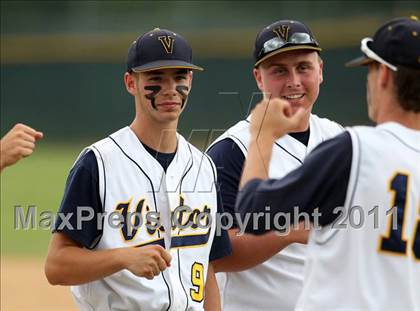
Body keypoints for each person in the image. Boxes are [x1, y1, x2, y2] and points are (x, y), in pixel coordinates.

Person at [237, 16, 420, 310]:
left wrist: (263, 135)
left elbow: (252, 211)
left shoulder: (355, 146)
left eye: (370, 70)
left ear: (383, 75)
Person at [45, 28, 231, 310]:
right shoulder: (99, 162)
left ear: (190, 81)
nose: (169, 89)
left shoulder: (204, 167)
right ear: (131, 82)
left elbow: (208, 270)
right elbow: (57, 266)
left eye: (179, 77)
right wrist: (123, 257)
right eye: (156, 78)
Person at [206, 19, 343, 310]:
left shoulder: (338, 138)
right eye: (279, 70)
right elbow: (217, 255)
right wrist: (290, 230)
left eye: (303, 67)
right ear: (259, 78)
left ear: (321, 71)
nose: (293, 80)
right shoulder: (232, 150)